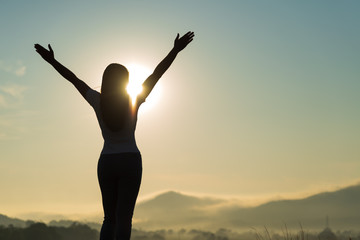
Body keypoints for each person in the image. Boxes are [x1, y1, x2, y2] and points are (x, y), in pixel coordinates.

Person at [34, 31, 194, 240]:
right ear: (125, 82)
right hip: (130, 160)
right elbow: (156, 74)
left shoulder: (96, 100)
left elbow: (73, 79)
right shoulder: (135, 99)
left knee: (109, 219)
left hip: (107, 161)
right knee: (124, 219)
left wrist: (52, 61)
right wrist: (175, 50)